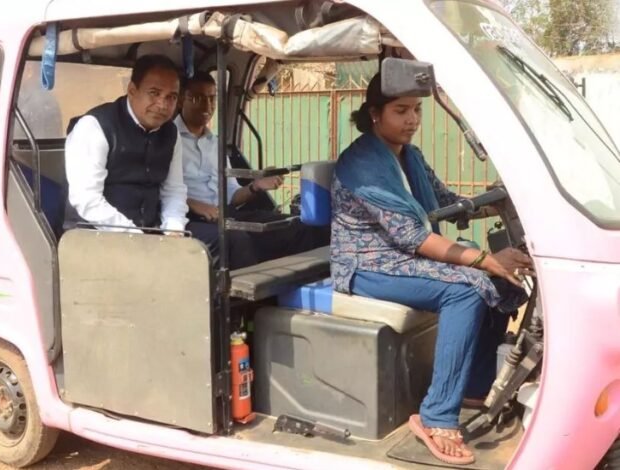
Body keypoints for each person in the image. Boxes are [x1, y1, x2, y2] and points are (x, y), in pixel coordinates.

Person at [331, 71, 532, 465]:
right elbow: (413, 236)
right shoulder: (361, 163)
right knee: (468, 286)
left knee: (500, 281)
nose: (411, 120)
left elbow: (445, 201)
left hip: (402, 259)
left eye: (417, 110)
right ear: (375, 114)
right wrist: (485, 258)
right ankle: (436, 415)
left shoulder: (411, 156)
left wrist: (499, 199)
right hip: (365, 264)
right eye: (400, 110)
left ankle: (473, 385)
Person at [176, 71, 329, 269]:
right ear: (181, 100)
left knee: (296, 226)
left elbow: (232, 194)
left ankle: (300, 289)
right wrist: (196, 205)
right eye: (197, 98)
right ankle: (250, 301)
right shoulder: (168, 140)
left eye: (212, 98)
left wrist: (256, 186)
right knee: (238, 239)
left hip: (227, 213)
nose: (207, 106)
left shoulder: (217, 144)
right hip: (193, 219)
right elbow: (163, 191)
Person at [63, 55, 187, 235]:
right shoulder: (95, 126)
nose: (162, 104)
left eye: (171, 97)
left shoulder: (171, 133)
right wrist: (135, 236)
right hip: (94, 236)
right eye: (154, 93)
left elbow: (174, 190)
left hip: (150, 233)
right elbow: (87, 199)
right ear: (132, 91)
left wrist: (174, 230)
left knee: (226, 242)